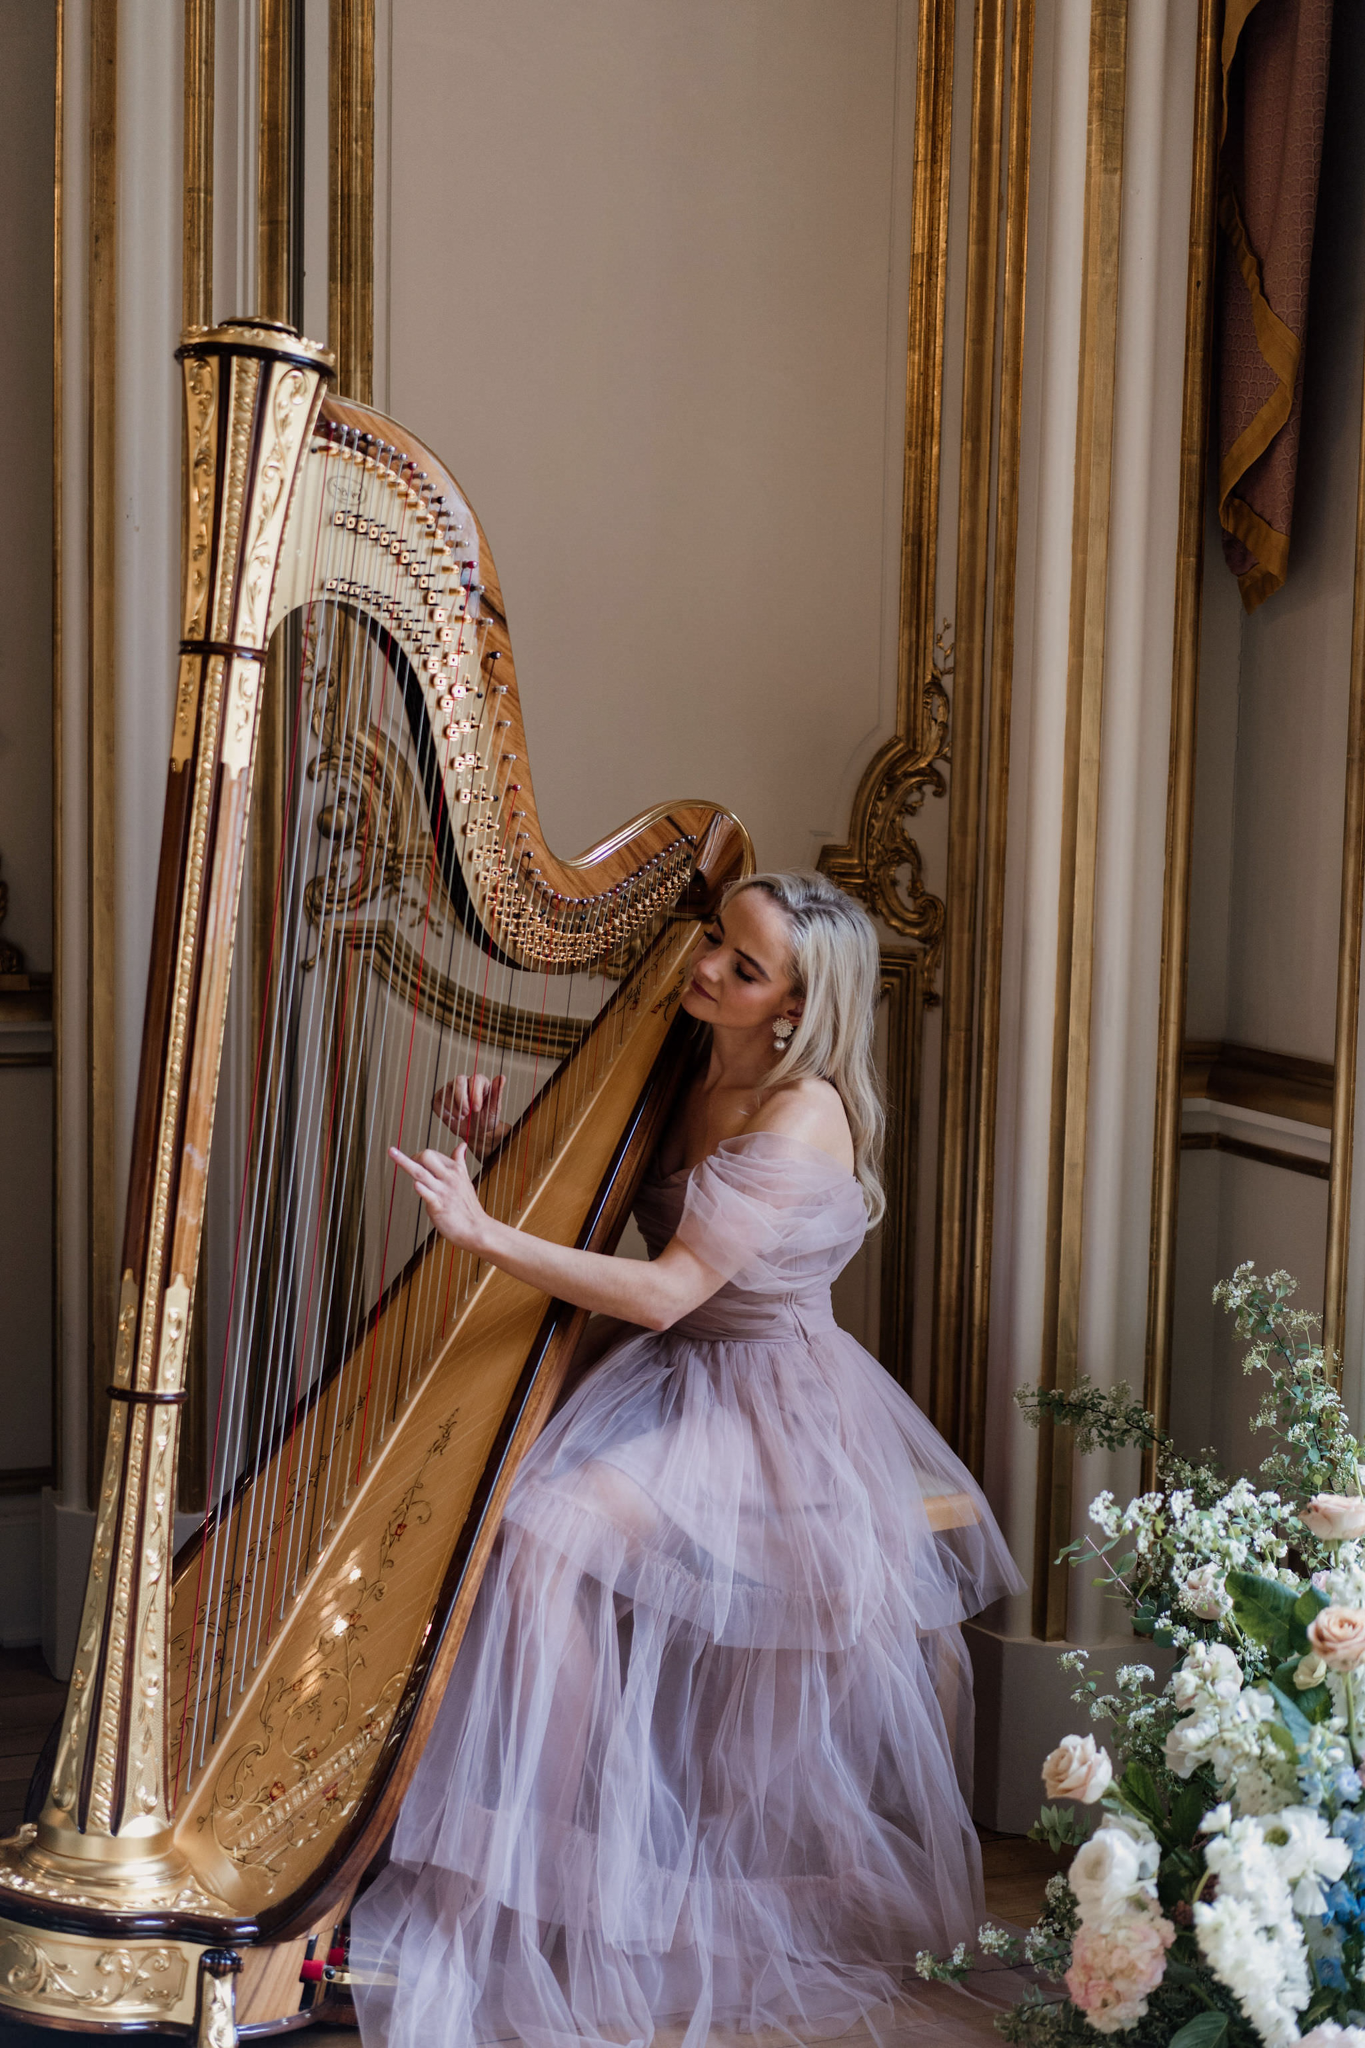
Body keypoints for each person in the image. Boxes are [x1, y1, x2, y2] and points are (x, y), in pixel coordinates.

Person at [352, 870, 1022, 2048]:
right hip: (663, 1379)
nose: (706, 966)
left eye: (743, 965)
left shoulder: (801, 1111)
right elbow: (599, 1191)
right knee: (501, 1523)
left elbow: (668, 1289)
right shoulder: (685, 1052)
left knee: (544, 1535)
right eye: (716, 939)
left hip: (766, 1398)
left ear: (795, 1009)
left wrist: (481, 1230)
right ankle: (544, 1859)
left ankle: (557, 1870)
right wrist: (496, 1144)